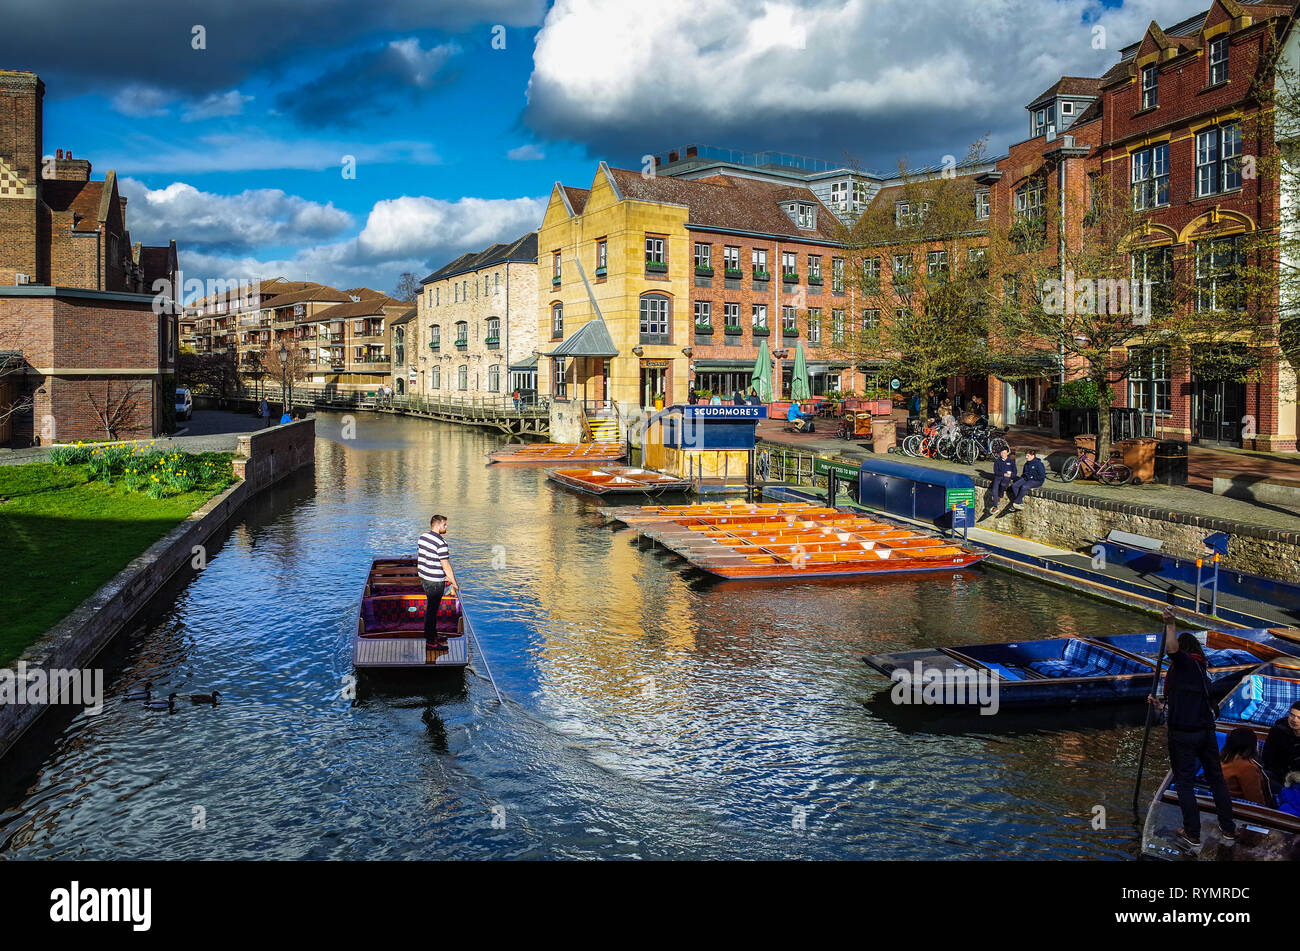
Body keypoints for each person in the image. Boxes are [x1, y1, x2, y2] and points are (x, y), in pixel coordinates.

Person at [1148, 617, 1237, 851]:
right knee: (1216, 779)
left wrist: (1169, 624)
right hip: (1205, 731)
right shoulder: (1200, 671)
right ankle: (1228, 828)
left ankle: (1192, 833)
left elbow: (1172, 649)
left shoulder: (1185, 665)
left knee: (1184, 783)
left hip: (1184, 735)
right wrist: (1160, 706)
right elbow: (1186, 703)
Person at [418, 514, 458, 648]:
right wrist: (454, 582)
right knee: (432, 611)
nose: (446, 527)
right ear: (439, 525)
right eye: (445, 525)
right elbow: (446, 565)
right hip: (435, 581)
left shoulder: (423, 537)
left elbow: (426, 558)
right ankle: (431, 642)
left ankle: (432, 634)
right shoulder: (441, 543)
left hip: (424, 578)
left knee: (431, 609)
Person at [1219, 727, 1274, 807]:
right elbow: (1256, 800)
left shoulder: (1223, 757)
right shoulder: (1248, 767)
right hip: (1240, 809)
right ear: (1252, 745)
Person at [1262, 700, 1300, 788]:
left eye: (1299, 717)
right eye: (1292, 715)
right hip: (1279, 776)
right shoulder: (1277, 731)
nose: (1294, 720)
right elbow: (1267, 758)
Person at [989, 446, 1016, 512]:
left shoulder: (1011, 461)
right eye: (1001, 453)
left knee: (1003, 484)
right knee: (994, 489)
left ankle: (1000, 495)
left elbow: (1015, 472)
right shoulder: (997, 461)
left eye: (1004, 453)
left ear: (1007, 453)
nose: (1002, 454)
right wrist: (1003, 474)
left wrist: (1010, 475)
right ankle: (995, 506)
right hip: (998, 477)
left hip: (1006, 478)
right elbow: (996, 471)